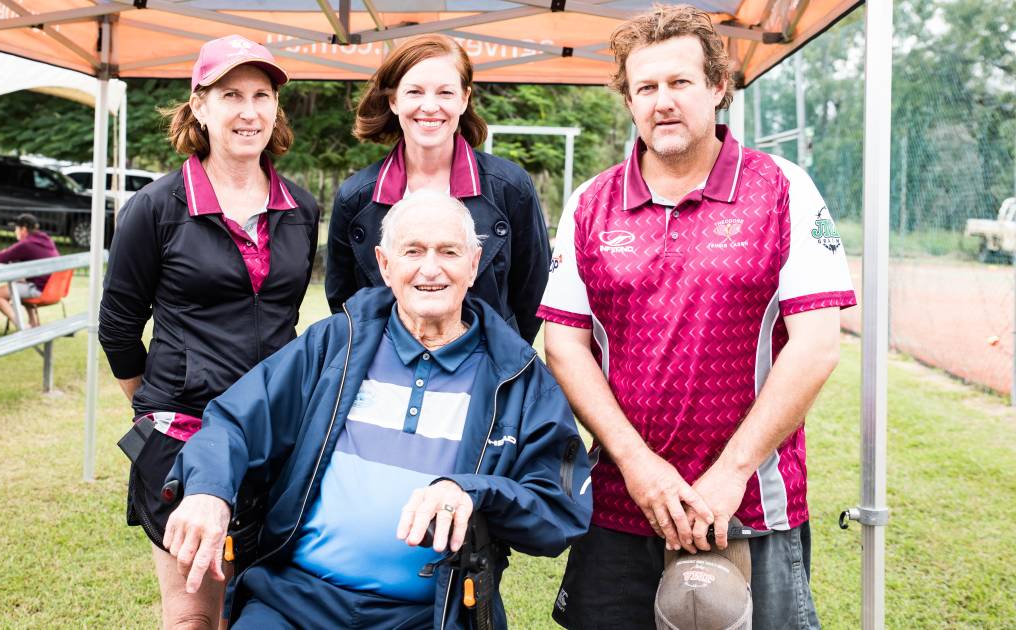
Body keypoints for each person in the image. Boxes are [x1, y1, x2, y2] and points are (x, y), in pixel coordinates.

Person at [538, 6, 856, 629]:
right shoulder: (589, 203)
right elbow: (565, 346)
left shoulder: (784, 188)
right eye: (645, 87)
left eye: (679, 82)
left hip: (751, 506)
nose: (662, 102)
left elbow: (817, 346)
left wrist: (731, 473)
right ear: (628, 99)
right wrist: (638, 466)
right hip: (622, 505)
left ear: (716, 87)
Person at [163, 190, 591, 629]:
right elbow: (234, 423)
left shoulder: (517, 376)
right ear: (385, 265)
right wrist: (207, 491)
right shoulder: (334, 345)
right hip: (293, 601)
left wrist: (474, 491)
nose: (430, 268)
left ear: (474, 262)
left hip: (429, 616)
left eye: (448, 252)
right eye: (413, 251)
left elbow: (560, 510)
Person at [97, 35, 319, 629]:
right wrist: (160, 404)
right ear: (200, 106)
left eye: (262, 95)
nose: (248, 111)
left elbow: (285, 319)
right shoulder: (155, 207)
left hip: (274, 435)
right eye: (231, 95)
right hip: (183, 435)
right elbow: (118, 326)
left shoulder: (302, 208)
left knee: (259, 604)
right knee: (194, 615)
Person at [325, 34, 550, 344]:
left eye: (445, 92)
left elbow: (533, 291)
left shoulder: (510, 188)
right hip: (384, 373)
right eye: (415, 91)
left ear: (464, 98)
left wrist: (499, 357)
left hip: (486, 373)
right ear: (394, 100)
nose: (430, 107)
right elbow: (343, 301)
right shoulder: (356, 197)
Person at [0, 213, 59, 328]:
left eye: (16, 228)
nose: (15, 231)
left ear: (23, 229)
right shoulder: (46, 240)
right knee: (20, 284)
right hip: (51, 287)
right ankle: (33, 323)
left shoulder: (27, 244)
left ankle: (22, 326)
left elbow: (0, 257)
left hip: (39, 289)